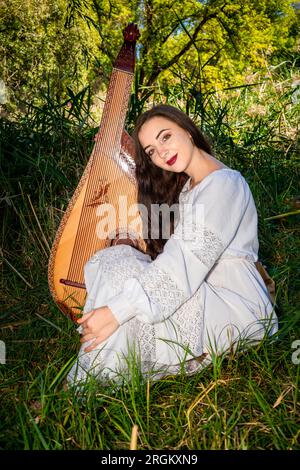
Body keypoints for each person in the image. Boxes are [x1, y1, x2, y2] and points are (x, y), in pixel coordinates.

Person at [67, 104, 278, 387]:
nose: (162, 152)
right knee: (114, 260)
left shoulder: (225, 184)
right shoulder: (192, 187)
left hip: (234, 305)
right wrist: (131, 155)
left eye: (165, 137)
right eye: (152, 150)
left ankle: (83, 386)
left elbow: (185, 261)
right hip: (202, 289)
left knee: (123, 279)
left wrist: (116, 310)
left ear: (188, 131)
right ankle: (92, 378)